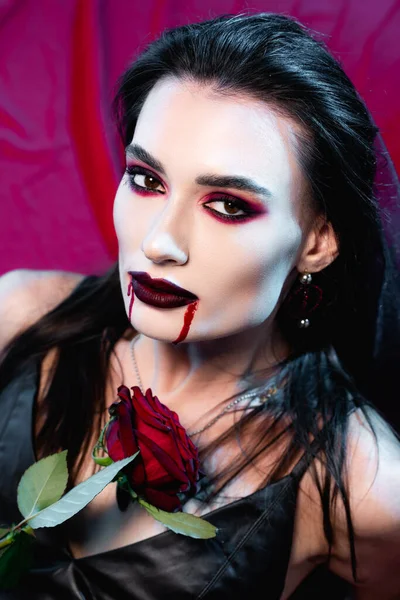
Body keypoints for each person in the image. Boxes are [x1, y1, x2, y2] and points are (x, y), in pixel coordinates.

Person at [1, 11, 400, 600]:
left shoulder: (366, 488)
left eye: (229, 205)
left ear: (318, 240)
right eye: (145, 179)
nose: (160, 241)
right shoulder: (18, 314)